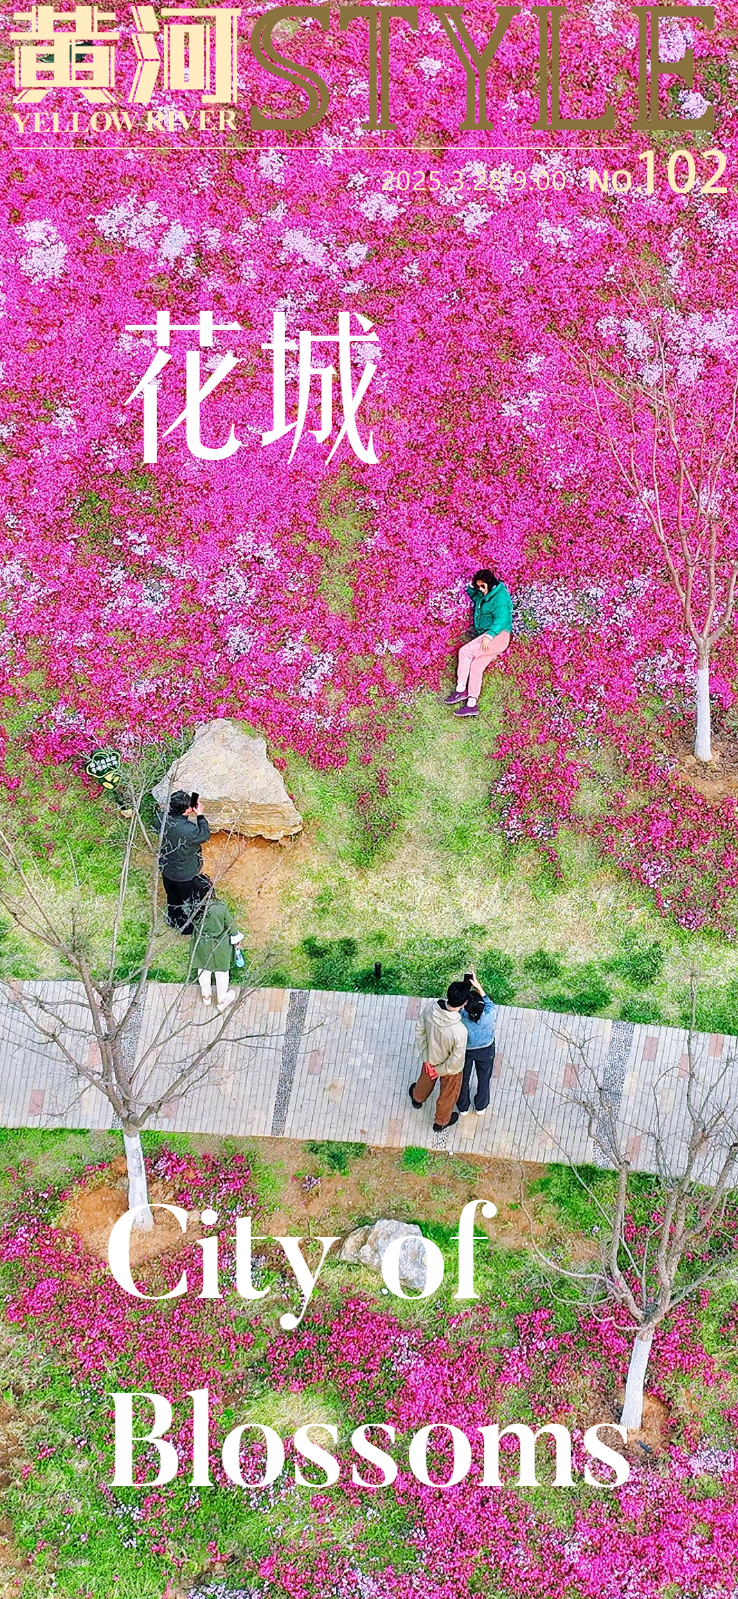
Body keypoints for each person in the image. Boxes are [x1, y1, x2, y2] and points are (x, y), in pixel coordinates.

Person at [445, 568, 513, 718]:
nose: (480, 589)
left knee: (465, 652)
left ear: (490, 583)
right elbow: (474, 595)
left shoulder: (500, 596)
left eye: (483, 586)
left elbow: (503, 618)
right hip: (491, 636)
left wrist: (490, 635)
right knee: (476, 666)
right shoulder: (484, 595)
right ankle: (471, 704)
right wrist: (471, 586)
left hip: (497, 636)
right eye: (478, 586)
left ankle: (460, 689)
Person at [409, 978, 471, 1132]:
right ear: (464, 1003)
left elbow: (419, 1031)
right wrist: (439, 1070)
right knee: (448, 1094)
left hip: (430, 1057)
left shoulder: (431, 1008)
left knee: (425, 1079)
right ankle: (441, 1122)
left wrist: (426, 1056)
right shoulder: (460, 1031)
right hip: (449, 1070)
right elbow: (455, 1060)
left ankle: (417, 1098)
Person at [158, 790, 211, 932]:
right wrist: (200, 815)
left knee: (172, 896)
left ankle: (173, 919)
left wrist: (185, 810)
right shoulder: (189, 830)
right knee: (189, 899)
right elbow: (205, 835)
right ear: (187, 810)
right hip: (185, 874)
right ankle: (187, 927)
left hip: (167, 869)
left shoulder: (160, 819)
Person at [190, 895, 244, 1011]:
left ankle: (206, 997)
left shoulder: (193, 905)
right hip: (220, 944)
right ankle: (221, 1001)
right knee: (222, 972)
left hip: (202, 942)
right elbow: (231, 926)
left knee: (203, 969)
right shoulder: (219, 907)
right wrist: (236, 938)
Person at [458, 972, 496, 1118]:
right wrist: (479, 987)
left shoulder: (461, 1018)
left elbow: (457, 1006)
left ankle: (463, 1107)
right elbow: (488, 1002)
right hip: (486, 1049)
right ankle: (481, 1106)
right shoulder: (490, 1015)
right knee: (484, 1078)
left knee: (463, 1079)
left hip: (466, 1051)